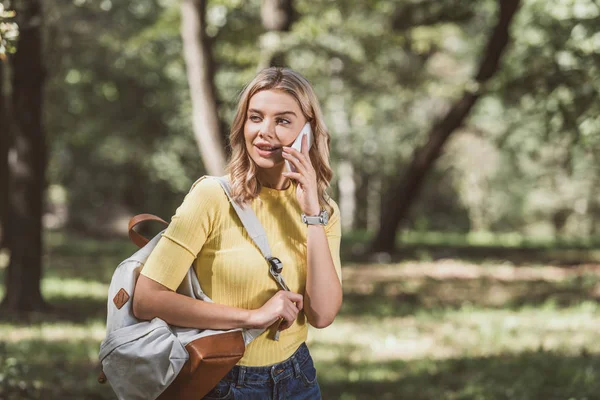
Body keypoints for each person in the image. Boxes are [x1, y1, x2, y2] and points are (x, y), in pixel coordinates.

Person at [133, 67, 343, 400]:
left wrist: (311, 216)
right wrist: (254, 317)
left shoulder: (323, 212)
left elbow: (323, 314)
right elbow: (146, 299)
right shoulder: (212, 197)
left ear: (309, 131)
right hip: (224, 380)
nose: (265, 132)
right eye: (255, 117)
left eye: (283, 121)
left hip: (298, 379)